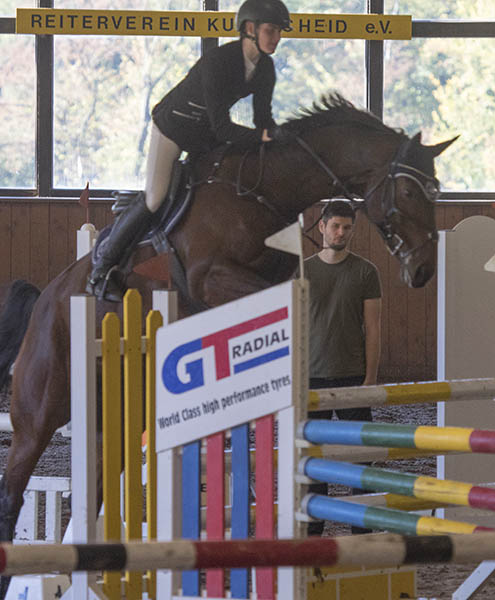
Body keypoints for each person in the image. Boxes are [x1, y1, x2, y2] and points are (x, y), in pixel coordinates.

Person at [87, 0, 290, 301]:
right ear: (250, 29)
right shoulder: (219, 62)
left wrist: (278, 138)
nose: (276, 38)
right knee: (155, 197)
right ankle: (102, 268)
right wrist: (263, 136)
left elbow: (263, 120)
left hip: (203, 133)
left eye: (278, 32)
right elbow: (225, 130)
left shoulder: (265, 69)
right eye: (271, 30)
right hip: (172, 127)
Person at [303, 200, 382, 535]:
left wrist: (370, 379)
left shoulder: (366, 271)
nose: (340, 233)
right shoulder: (301, 270)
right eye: (335, 226)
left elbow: (373, 327)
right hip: (310, 377)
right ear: (321, 226)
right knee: (311, 460)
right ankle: (312, 531)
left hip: (352, 375)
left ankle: (361, 530)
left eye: (347, 227)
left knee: (360, 457)